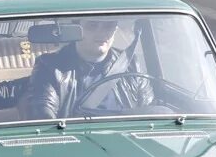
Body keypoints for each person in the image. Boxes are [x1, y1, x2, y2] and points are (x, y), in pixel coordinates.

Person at [21, 18, 154, 120]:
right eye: (92, 25)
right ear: (76, 29)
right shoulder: (51, 67)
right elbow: (44, 117)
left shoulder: (130, 64)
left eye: (108, 25)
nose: (101, 33)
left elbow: (150, 111)